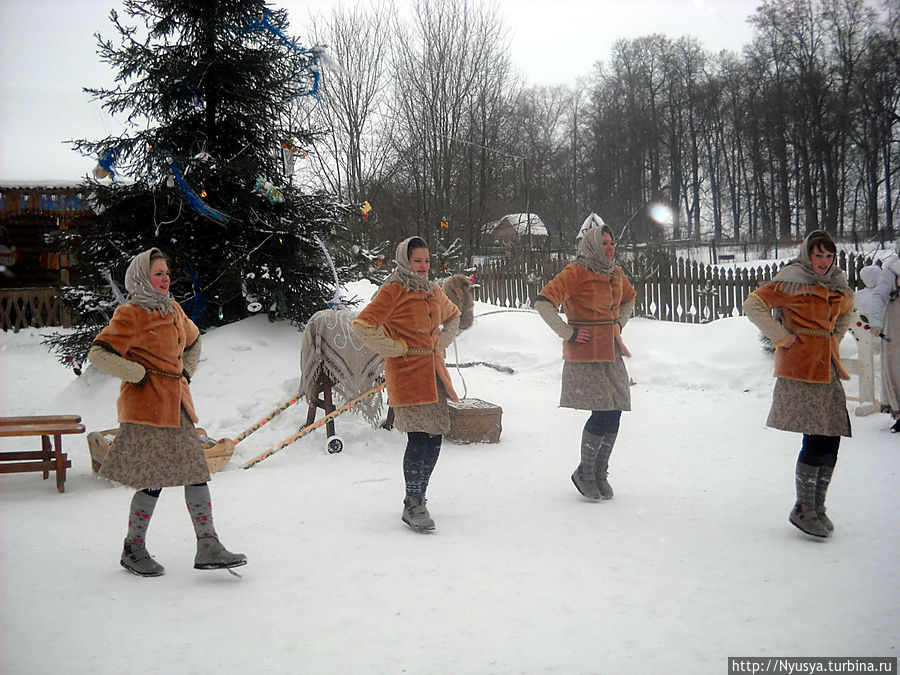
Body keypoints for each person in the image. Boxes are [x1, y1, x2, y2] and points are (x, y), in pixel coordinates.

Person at [89, 248, 246, 576]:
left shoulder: (173, 309)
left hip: (178, 407)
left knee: (196, 472)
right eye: (157, 273)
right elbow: (99, 353)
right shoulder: (130, 314)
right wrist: (138, 374)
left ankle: (208, 544)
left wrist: (186, 371)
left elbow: (194, 340)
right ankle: (133, 548)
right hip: (146, 410)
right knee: (151, 481)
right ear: (142, 277)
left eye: (166, 273)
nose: (164, 279)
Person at [743, 230, 855, 539]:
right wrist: (781, 336)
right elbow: (753, 305)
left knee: (832, 436)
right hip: (801, 370)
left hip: (828, 370)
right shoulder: (791, 280)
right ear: (808, 254)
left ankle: (817, 506)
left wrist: (835, 337)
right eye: (818, 255)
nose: (823, 261)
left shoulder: (836, 285)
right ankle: (804, 508)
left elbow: (847, 312)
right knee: (815, 437)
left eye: (828, 255)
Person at [352, 237, 461, 532]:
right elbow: (362, 325)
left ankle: (420, 496)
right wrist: (394, 348)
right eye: (418, 261)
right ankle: (413, 502)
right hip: (408, 375)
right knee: (418, 438)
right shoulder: (393, 289)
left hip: (434, 374)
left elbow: (454, 317)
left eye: (427, 261)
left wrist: (441, 342)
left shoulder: (433, 290)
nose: (424, 267)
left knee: (435, 437)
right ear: (405, 260)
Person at [534, 223, 636, 501]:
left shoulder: (615, 273)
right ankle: (585, 473)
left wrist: (619, 325)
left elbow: (630, 299)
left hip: (612, 352)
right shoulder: (576, 272)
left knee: (615, 410)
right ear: (591, 245)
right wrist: (569, 332)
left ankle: (600, 472)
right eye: (603, 243)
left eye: (611, 242)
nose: (609, 247)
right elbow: (543, 303)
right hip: (586, 354)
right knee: (602, 411)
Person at [865, 243, 900, 432]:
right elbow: (879, 296)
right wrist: (876, 322)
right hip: (896, 322)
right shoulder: (893, 268)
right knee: (897, 368)